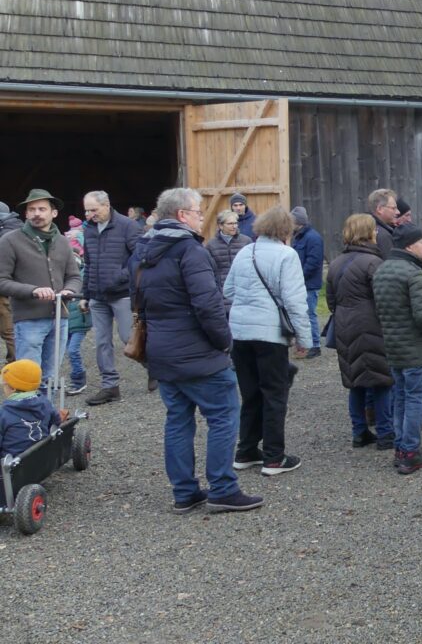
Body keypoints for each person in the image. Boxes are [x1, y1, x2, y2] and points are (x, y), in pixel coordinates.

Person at [129, 187, 262, 513]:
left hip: (162, 351)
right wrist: (224, 341)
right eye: (198, 211)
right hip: (198, 354)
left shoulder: (143, 251)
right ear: (182, 215)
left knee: (178, 420)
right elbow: (208, 304)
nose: (202, 217)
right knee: (223, 416)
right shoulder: (190, 251)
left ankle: (185, 492)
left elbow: (137, 300)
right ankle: (223, 488)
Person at [224, 206, 309, 476]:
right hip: (270, 334)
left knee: (250, 394)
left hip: (240, 332)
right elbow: (295, 301)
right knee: (274, 395)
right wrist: (304, 338)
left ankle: (246, 450)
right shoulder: (287, 255)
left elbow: (228, 290)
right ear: (286, 230)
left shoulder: (244, 252)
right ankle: (274, 457)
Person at [373, 224, 422, 474]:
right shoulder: (414, 273)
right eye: (421, 242)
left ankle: (401, 447)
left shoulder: (382, 270)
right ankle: (410, 451)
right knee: (415, 399)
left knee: (400, 398)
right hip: (416, 348)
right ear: (409, 246)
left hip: (393, 346)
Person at [0, 189, 81, 388]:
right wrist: (33, 290)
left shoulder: (62, 242)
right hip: (28, 320)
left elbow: (74, 276)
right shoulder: (10, 241)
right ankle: (29, 409)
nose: (37, 213)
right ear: (26, 214)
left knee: (51, 378)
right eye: (32, 209)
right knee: (28, 379)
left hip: (60, 318)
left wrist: (70, 290)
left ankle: (47, 408)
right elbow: (2, 280)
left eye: (42, 209)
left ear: (54, 213)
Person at [327, 214, 392, 448]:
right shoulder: (373, 263)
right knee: (382, 380)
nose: (376, 233)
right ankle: (385, 433)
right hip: (370, 326)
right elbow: (384, 299)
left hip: (344, 325)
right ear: (368, 232)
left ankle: (359, 431)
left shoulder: (336, 263)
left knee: (355, 380)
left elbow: (331, 301)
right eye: (374, 229)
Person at [80, 190, 145, 405]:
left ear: (107, 205)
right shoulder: (89, 229)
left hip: (121, 293)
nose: (90, 215)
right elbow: (88, 263)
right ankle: (110, 386)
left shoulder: (128, 226)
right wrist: (85, 294)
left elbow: (141, 258)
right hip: (97, 296)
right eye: (87, 211)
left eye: (94, 210)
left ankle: (153, 367)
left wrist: (120, 276)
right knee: (101, 342)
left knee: (128, 338)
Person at [0, 360, 61, 460]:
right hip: (43, 458)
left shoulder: (4, 413)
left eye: (4, 385)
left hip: (13, 464)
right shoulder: (45, 403)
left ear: (12, 388)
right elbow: (56, 422)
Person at [290, 206, 325, 358]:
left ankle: (315, 346)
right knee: (300, 315)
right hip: (300, 283)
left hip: (309, 284)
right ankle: (304, 345)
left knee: (310, 315)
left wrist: (298, 278)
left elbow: (313, 262)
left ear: (298, 222)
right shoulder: (297, 237)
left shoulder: (313, 238)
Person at [205, 210, 253, 301]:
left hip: (243, 290)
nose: (234, 226)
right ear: (220, 226)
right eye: (230, 224)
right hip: (221, 291)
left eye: (235, 223)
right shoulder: (211, 245)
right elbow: (209, 271)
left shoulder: (246, 241)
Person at [64, 228, 90, 395]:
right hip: (66, 321)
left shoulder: (84, 275)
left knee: (73, 350)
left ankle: (79, 379)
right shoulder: (61, 278)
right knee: (66, 351)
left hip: (80, 322)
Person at [0, 201, 20, 364]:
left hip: (5, 288)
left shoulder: (5, 234)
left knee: (8, 329)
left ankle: (16, 364)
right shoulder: (16, 228)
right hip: (10, 286)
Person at [367, 189, 400, 258]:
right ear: (379, 209)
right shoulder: (382, 235)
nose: (398, 212)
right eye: (393, 208)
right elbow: (389, 263)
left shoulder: (365, 229)